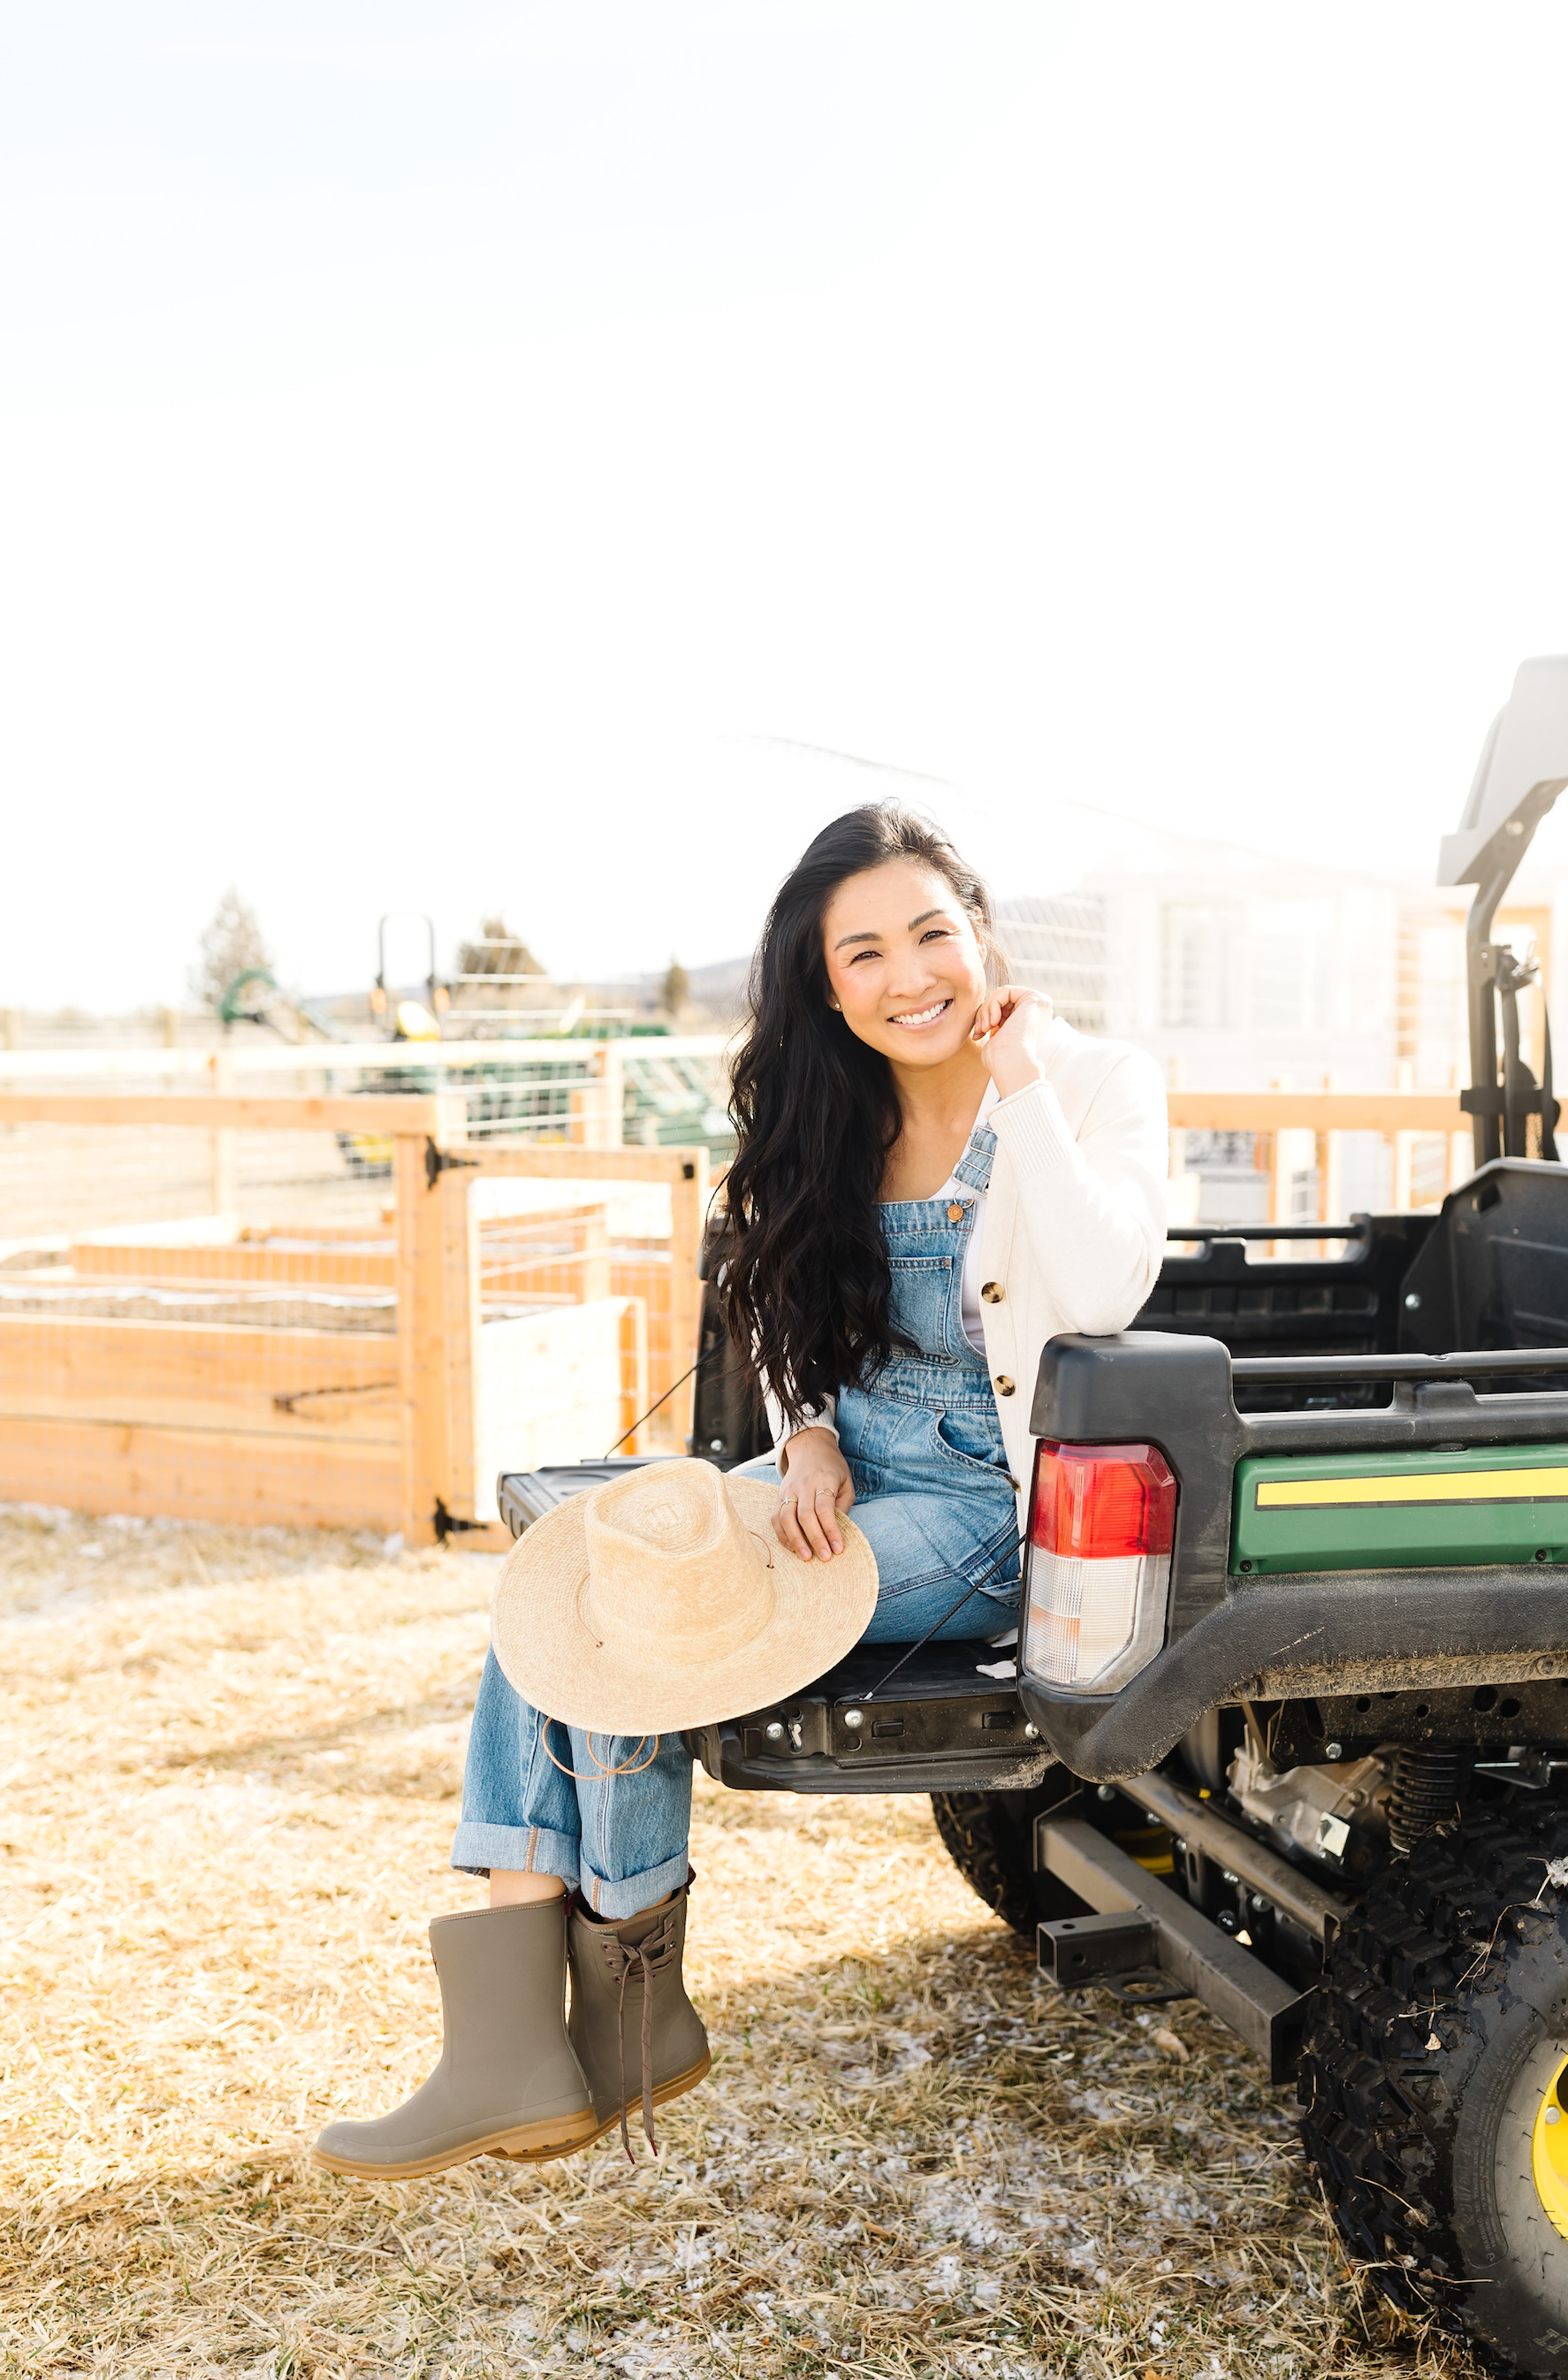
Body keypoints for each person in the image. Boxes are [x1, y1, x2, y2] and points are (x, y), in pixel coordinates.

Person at [314, 804, 1168, 2179]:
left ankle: (623, 2020)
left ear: (983, 935)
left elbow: (1104, 1280)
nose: (911, 976)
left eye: (933, 934)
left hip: (984, 1495)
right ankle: (514, 2048)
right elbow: (780, 1296)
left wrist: (1021, 1085)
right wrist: (811, 1433)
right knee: (576, 1584)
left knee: (653, 1631)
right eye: (867, 952)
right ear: (826, 984)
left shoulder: (1092, 1081)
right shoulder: (831, 1098)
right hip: (848, 1465)